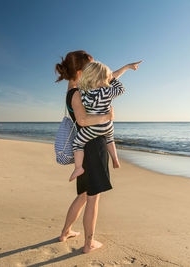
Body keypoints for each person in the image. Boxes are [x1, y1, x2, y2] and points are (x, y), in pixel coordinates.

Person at [55, 50, 141, 253]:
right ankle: (88, 243)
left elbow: (107, 78)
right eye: (89, 67)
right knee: (93, 198)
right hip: (93, 147)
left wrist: (127, 68)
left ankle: (65, 232)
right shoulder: (78, 92)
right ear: (81, 70)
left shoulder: (75, 88)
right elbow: (84, 121)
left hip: (84, 148)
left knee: (84, 194)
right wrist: (107, 118)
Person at [69, 61, 130, 181]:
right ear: (104, 78)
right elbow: (121, 89)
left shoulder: (83, 92)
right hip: (108, 125)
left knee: (77, 143)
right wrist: (112, 79)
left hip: (93, 128)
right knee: (110, 139)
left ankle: (78, 167)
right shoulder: (107, 92)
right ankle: (115, 159)